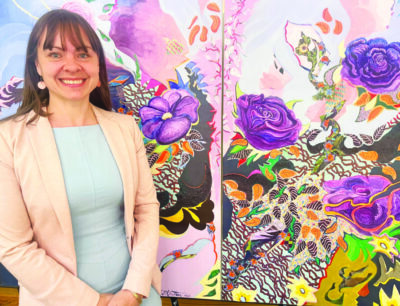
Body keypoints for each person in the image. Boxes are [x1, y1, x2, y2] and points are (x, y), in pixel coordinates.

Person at [0, 9, 161, 306]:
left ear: (98, 66)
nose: (71, 65)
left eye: (83, 54)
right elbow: (14, 247)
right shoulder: (8, 140)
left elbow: (147, 209)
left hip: (135, 294)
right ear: (37, 66)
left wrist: (134, 290)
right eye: (55, 54)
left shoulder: (124, 128)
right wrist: (97, 302)